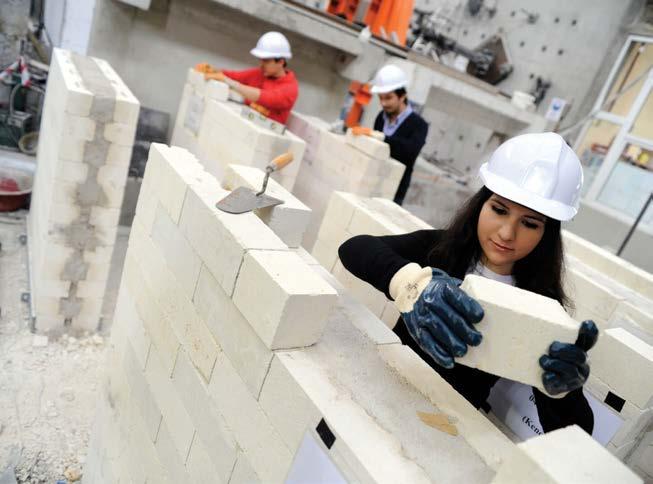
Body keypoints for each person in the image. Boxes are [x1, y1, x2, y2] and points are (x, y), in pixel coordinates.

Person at [338, 132, 599, 434]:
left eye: (529, 223)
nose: (506, 234)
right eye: (499, 210)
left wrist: (564, 392)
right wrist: (412, 285)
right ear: (481, 204)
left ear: (547, 234)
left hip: (447, 430)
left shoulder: (540, 303)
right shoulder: (441, 252)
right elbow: (355, 249)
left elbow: (577, 431)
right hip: (384, 386)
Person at [351, 65, 429, 205]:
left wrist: (381, 138)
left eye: (388, 98)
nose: (383, 103)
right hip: (371, 181)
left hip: (394, 190)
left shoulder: (419, 125)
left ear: (402, 96)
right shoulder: (381, 117)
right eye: (380, 98)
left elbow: (409, 152)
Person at [194, 31, 298, 124]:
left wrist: (227, 81)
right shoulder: (261, 73)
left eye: (266, 61)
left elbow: (265, 97)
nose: (261, 65)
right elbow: (234, 76)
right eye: (261, 60)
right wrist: (212, 70)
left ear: (281, 62)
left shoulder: (290, 89)